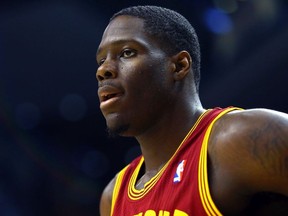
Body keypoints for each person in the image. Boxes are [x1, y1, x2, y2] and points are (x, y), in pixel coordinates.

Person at [96, 5, 288, 216]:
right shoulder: (113, 198)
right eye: (101, 60)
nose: (103, 70)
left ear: (179, 66)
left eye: (126, 52)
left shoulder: (242, 139)